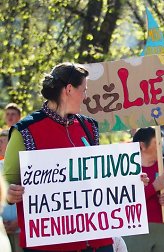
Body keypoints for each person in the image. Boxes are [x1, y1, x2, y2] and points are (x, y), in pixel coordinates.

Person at [3, 63, 115, 251]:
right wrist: (9, 192)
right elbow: (7, 182)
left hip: (95, 239)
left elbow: (99, 176)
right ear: (69, 89)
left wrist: (128, 181)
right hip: (50, 243)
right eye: (84, 90)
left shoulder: (89, 127)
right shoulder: (25, 130)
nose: (86, 97)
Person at [124, 127, 164, 251]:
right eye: (157, 143)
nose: (161, 147)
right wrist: (154, 187)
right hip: (136, 229)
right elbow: (125, 198)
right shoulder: (127, 167)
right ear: (142, 145)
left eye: (161, 143)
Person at [2, 103, 22, 252]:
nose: (10, 117)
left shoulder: (24, 139)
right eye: (7, 114)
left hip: (21, 226)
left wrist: (20, 221)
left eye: (13, 114)